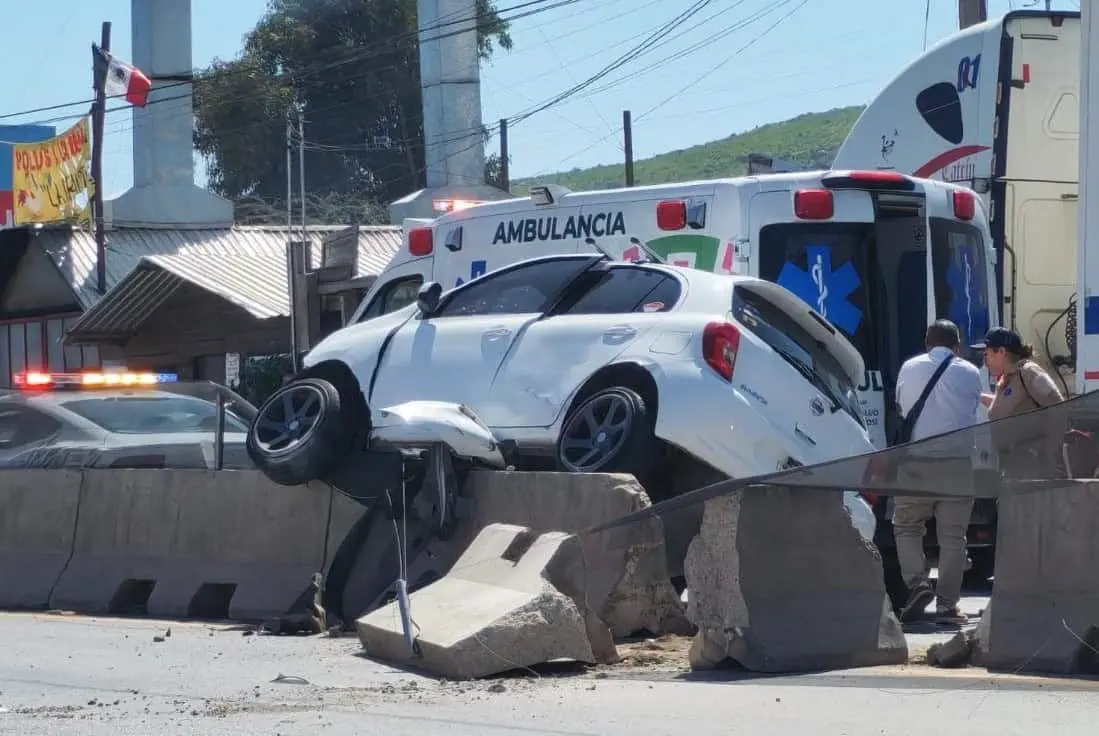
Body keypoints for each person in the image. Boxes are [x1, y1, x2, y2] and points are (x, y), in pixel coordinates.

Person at [892, 320, 984, 624]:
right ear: (957, 346)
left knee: (907, 526)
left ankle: (917, 584)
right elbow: (971, 411)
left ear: (927, 343)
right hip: (957, 464)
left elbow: (903, 409)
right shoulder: (971, 373)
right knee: (954, 538)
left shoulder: (909, 367)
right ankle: (947, 606)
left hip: (917, 462)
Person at [972, 327, 1066, 475]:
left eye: (987, 354)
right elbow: (1008, 408)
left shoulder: (1029, 372)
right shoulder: (1007, 378)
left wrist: (1051, 450)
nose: (985, 361)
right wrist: (977, 396)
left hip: (1033, 465)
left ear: (1002, 352)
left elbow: (1058, 406)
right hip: (1012, 464)